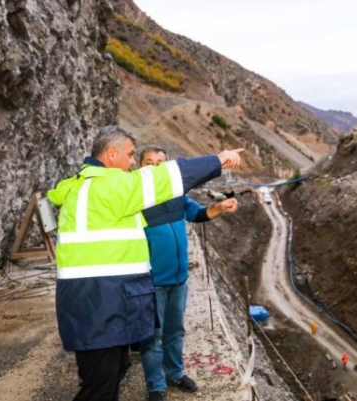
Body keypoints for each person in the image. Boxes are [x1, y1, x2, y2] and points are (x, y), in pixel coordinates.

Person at [47, 126, 242, 401]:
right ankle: (156, 386)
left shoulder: (85, 187)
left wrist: (215, 209)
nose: (130, 162)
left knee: (114, 372)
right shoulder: (113, 187)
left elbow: (191, 211)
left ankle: (170, 374)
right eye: (130, 156)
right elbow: (172, 175)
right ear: (111, 154)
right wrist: (219, 159)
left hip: (97, 300)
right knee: (99, 388)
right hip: (100, 301)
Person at [137, 147, 239, 401]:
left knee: (176, 331)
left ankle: (174, 373)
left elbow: (197, 214)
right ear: (138, 168)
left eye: (161, 162)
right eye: (149, 162)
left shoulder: (176, 193)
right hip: (152, 283)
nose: (155, 166)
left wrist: (221, 207)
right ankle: (156, 386)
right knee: (152, 338)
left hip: (179, 279)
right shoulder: (135, 199)